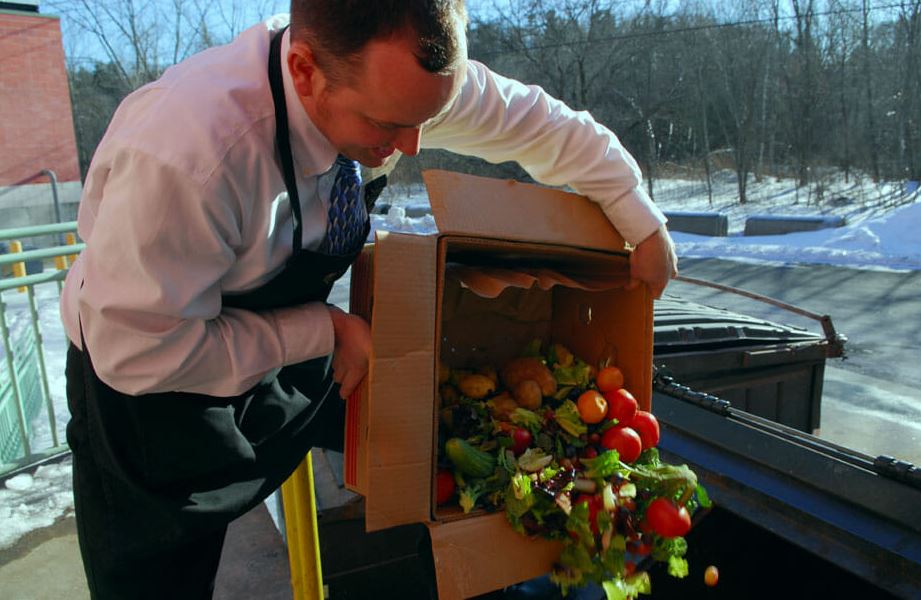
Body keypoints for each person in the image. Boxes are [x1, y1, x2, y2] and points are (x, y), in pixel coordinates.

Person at [61, 0, 677, 597]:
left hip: (284, 348)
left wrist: (639, 218)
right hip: (158, 394)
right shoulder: (188, 158)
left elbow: (537, 123)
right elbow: (140, 351)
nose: (412, 145)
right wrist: (322, 331)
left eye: (424, 119)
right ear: (304, 71)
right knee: (160, 582)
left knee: (452, 435)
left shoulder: (394, 78)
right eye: (387, 125)